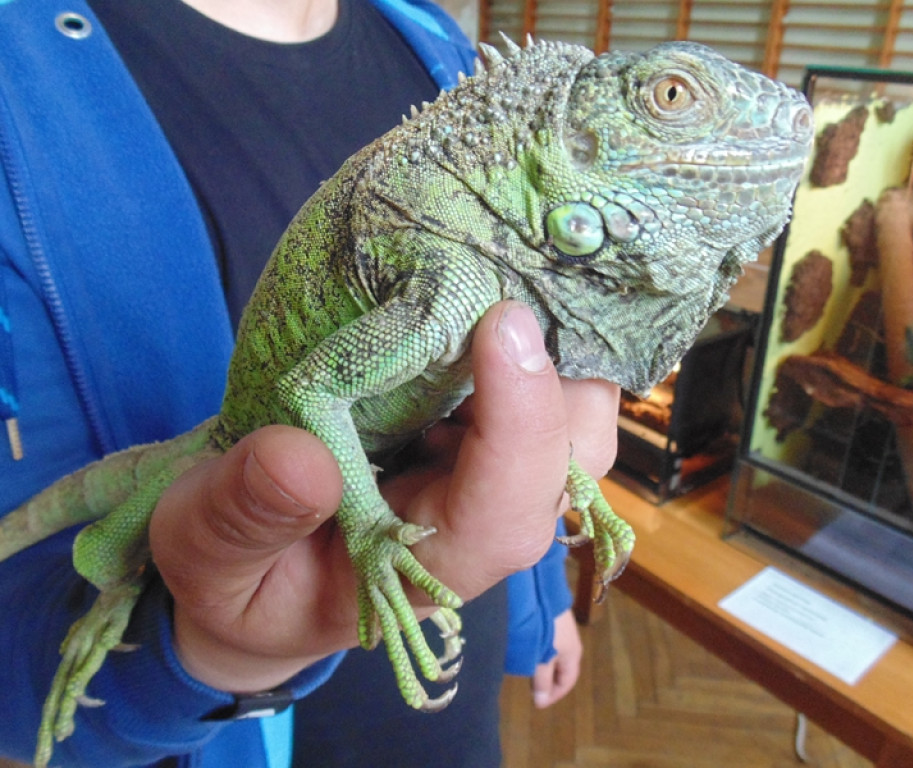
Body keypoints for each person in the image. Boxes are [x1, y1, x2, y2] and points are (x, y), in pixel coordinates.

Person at [0, 0, 619, 765]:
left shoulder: (431, 40)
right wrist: (210, 654)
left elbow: (506, 385)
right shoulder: (18, 86)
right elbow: (16, 667)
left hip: (451, 695)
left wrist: (544, 601)